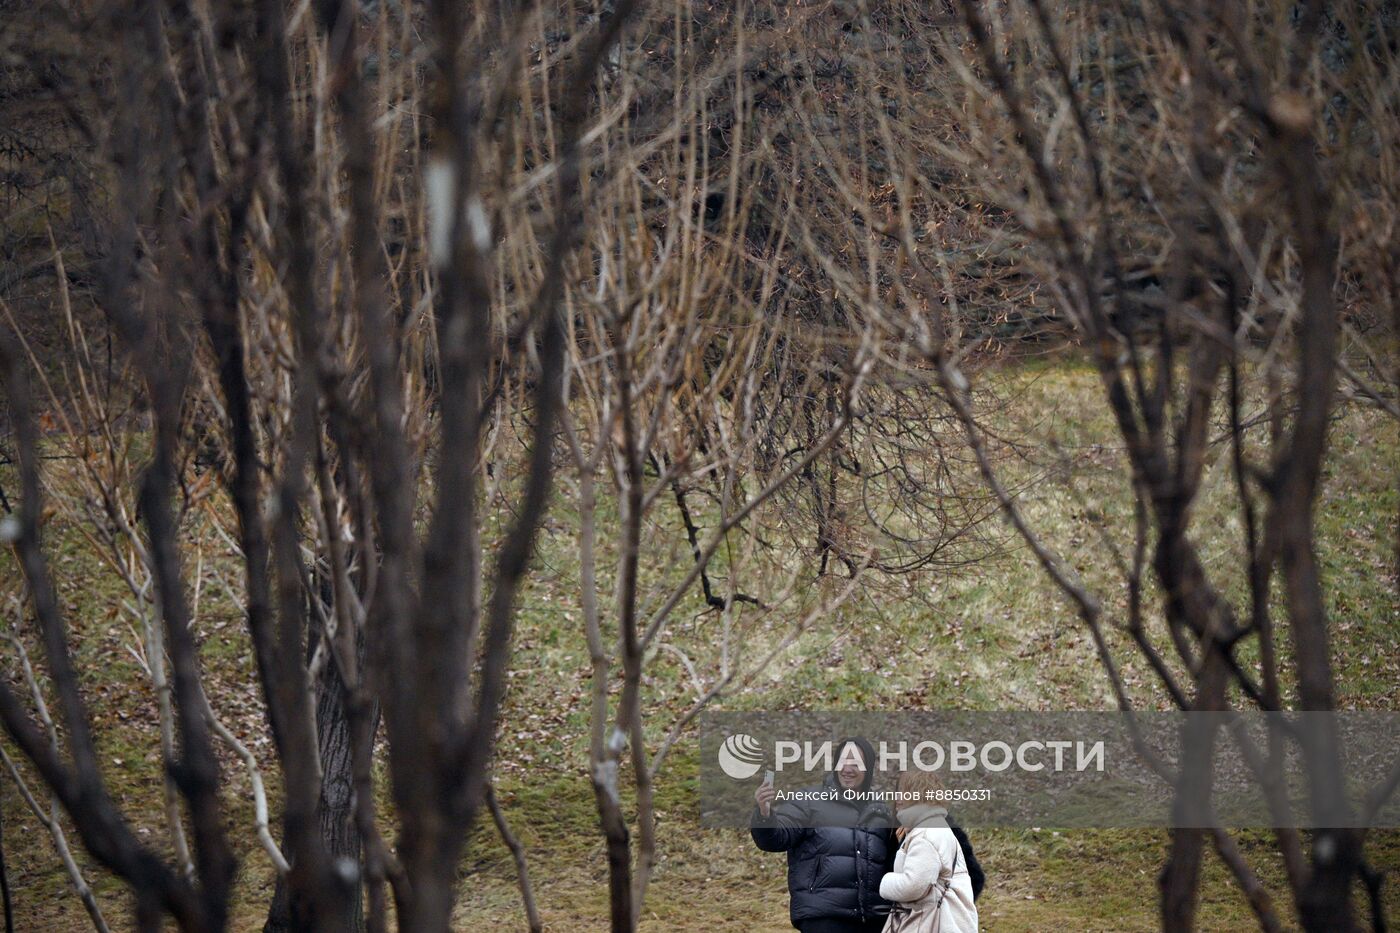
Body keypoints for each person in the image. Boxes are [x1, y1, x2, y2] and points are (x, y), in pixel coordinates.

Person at [751, 736, 895, 933]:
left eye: (856, 763)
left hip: (871, 922)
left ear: (868, 768)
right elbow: (775, 838)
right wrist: (765, 814)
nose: (847, 768)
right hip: (823, 917)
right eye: (843, 761)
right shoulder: (809, 801)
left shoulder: (881, 812)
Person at [878, 769, 978, 932]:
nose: (897, 799)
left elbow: (914, 885)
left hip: (931, 924)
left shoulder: (925, 834)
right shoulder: (933, 827)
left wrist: (885, 882)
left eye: (902, 793)